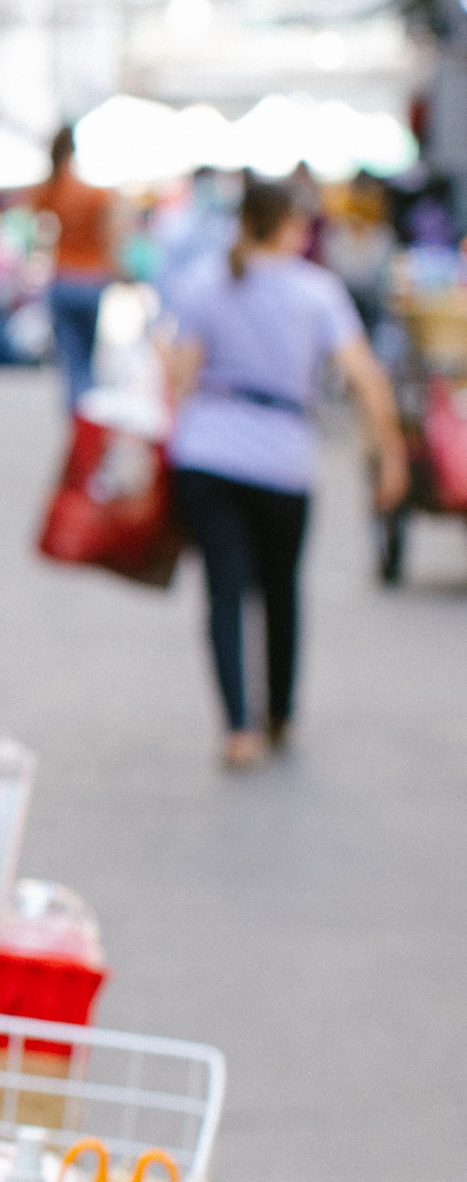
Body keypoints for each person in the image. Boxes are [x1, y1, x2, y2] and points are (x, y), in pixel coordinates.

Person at [162, 171, 407, 770]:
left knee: (223, 592)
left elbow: (179, 379)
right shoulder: (316, 291)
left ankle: (237, 729)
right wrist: (391, 457)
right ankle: (280, 714)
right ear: (292, 227)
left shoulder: (204, 283)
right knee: (280, 590)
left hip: (208, 453)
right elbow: (367, 381)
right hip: (283, 460)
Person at [33, 125, 121, 411]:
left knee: (71, 359)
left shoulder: (51, 188)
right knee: (87, 359)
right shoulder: (95, 194)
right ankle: (87, 415)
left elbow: (38, 229)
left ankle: (78, 416)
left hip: (62, 278)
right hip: (92, 279)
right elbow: (109, 237)